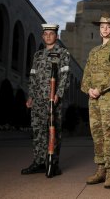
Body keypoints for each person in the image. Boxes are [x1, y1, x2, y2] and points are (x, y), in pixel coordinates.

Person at [81, 13, 110, 189]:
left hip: (109, 98)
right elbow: (86, 75)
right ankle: (101, 170)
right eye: (102, 27)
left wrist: (100, 88)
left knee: (109, 134)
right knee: (97, 134)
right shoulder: (93, 51)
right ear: (99, 30)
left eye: (108, 27)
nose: (104, 29)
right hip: (94, 99)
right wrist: (88, 89)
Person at [21, 24, 71, 178]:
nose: (48, 36)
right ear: (42, 36)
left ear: (57, 36)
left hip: (52, 99)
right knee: (38, 131)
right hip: (37, 100)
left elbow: (65, 76)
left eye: (51, 33)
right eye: (46, 34)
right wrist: (30, 96)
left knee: (53, 131)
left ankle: (53, 163)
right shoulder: (38, 55)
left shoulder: (62, 53)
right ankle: (39, 162)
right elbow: (33, 78)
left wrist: (59, 94)